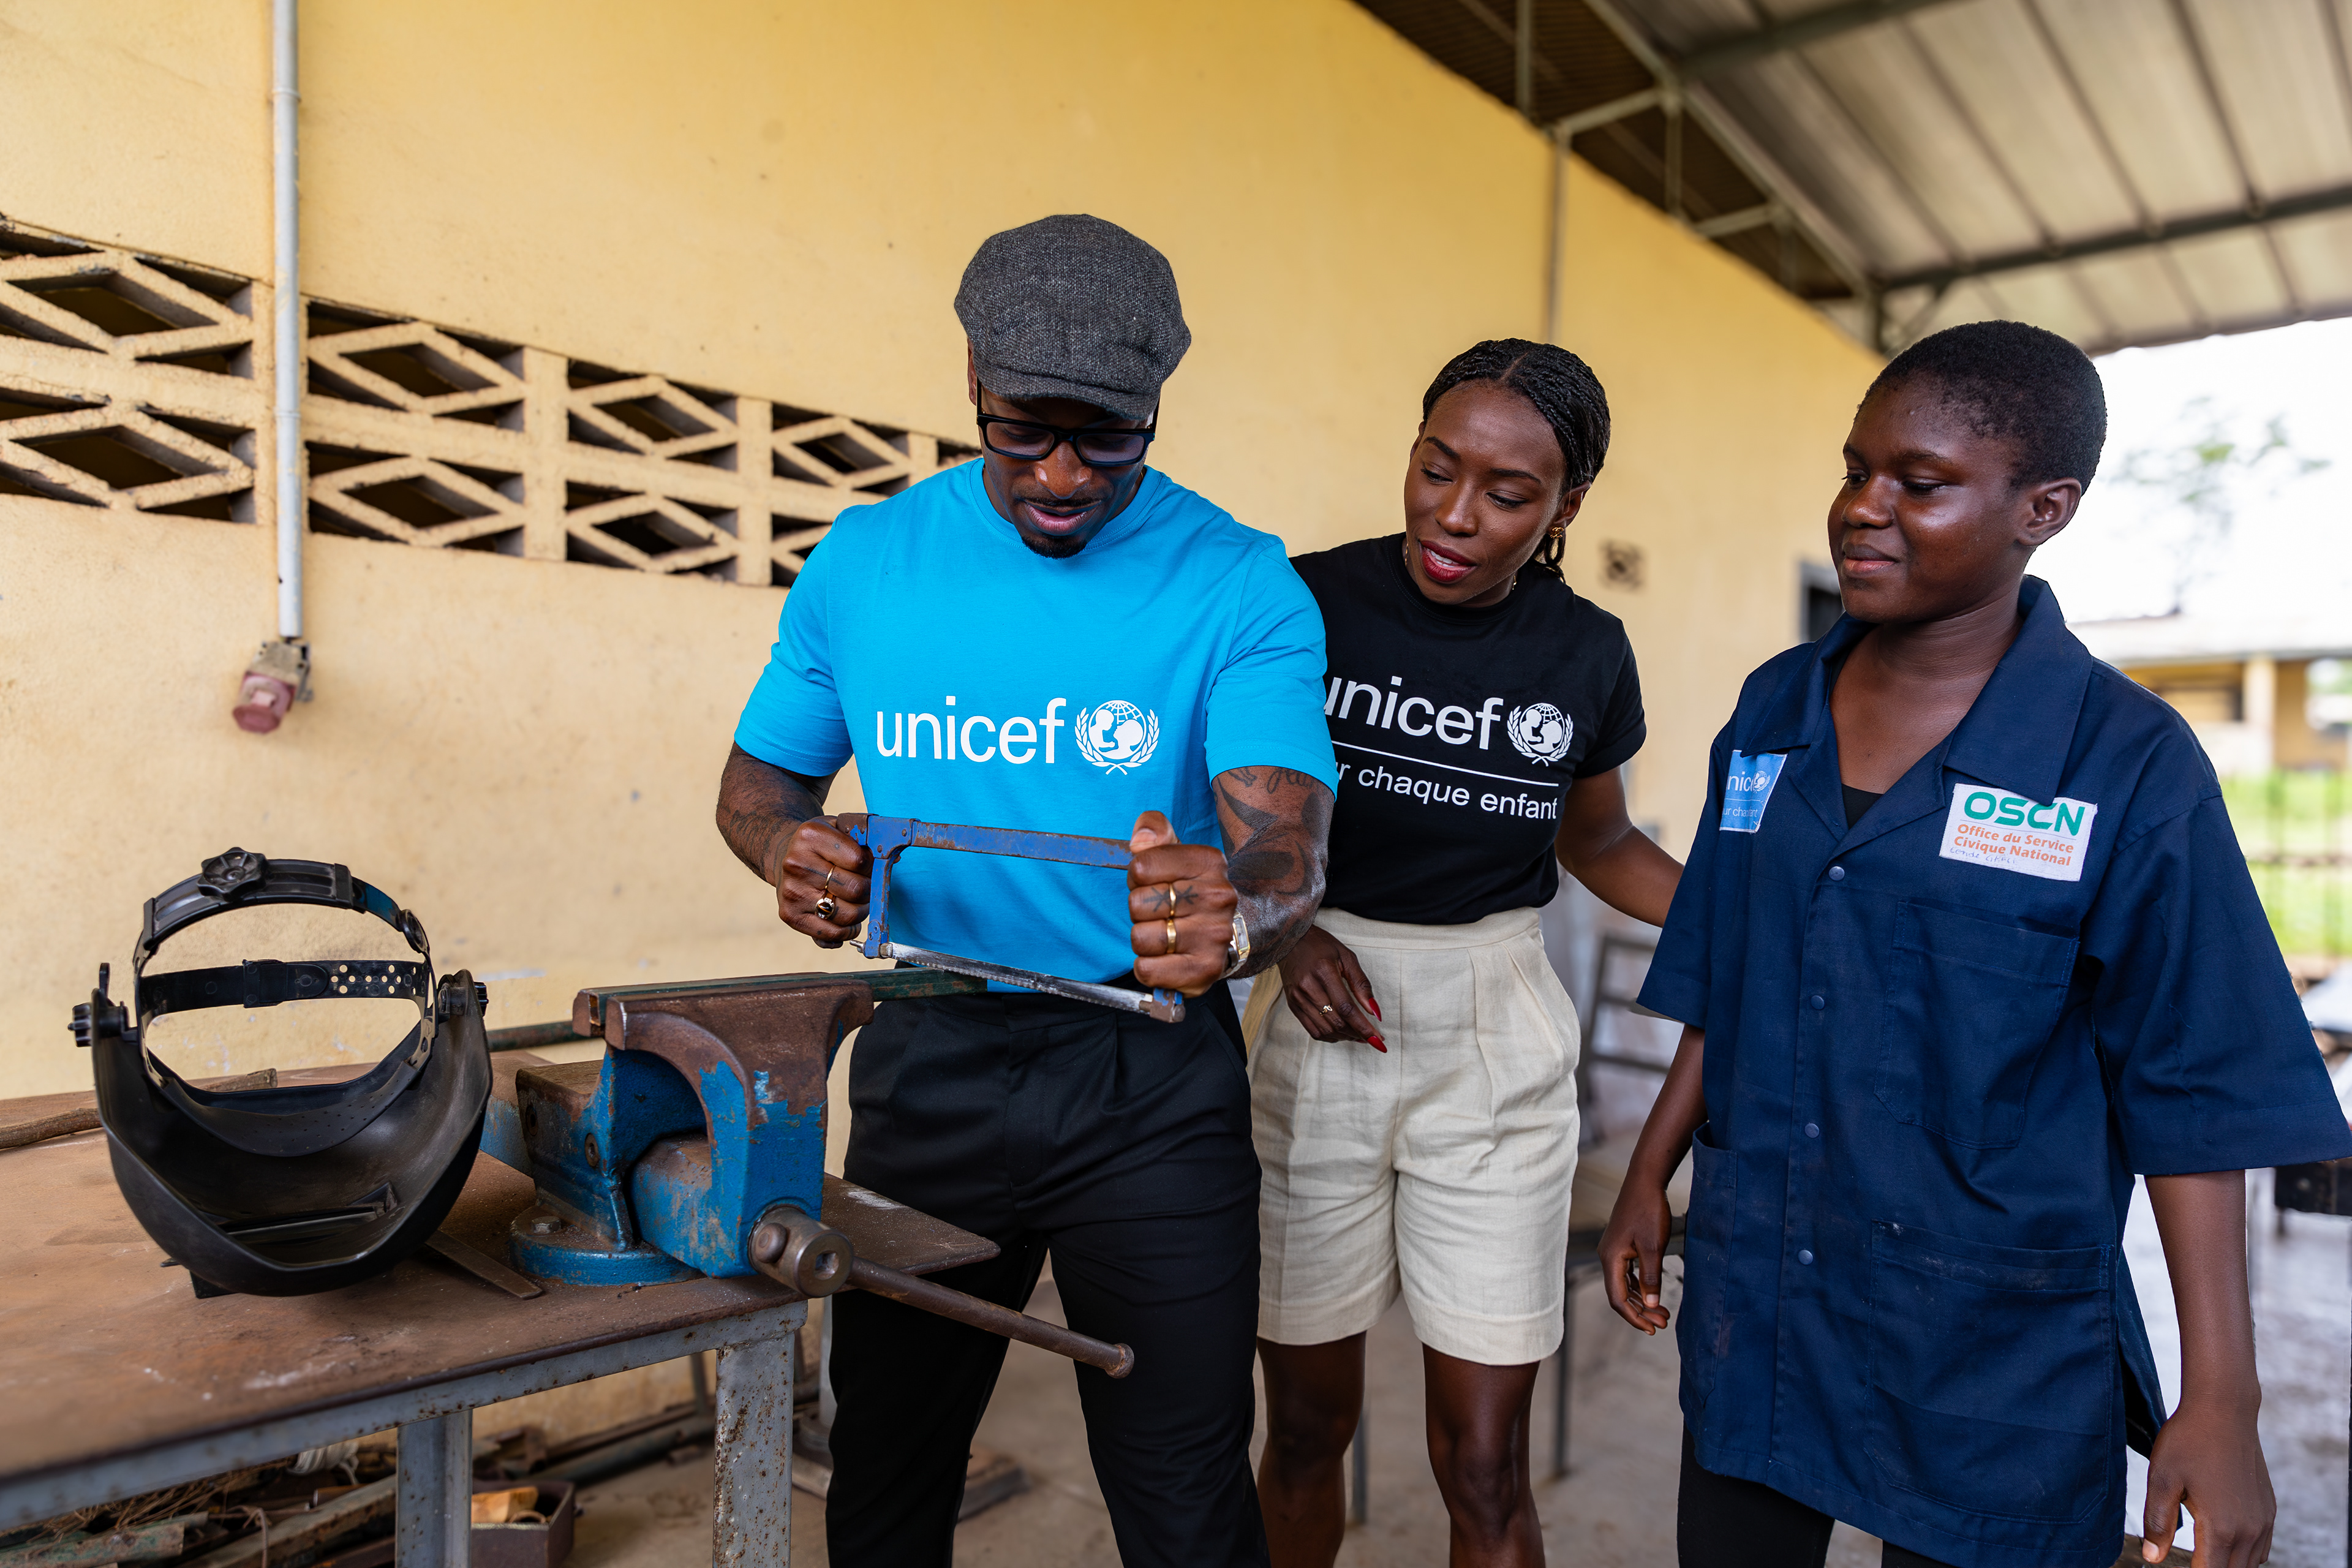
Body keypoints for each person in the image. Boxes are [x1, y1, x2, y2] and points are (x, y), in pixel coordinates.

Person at [1597, 320, 2352, 1568]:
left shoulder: (2123, 764)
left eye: (1921, 482)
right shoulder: (1774, 709)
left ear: (2043, 507)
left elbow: (2193, 1091)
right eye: (1855, 469)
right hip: (1766, 1289)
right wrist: (1649, 1173)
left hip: (1989, 1340)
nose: (1862, 508)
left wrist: (2223, 1395)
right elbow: (1735, 966)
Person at [714, 214, 1340, 1567]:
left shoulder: (1242, 582)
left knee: (1182, 1495)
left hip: (1152, 1086)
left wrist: (1239, 911)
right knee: (887, 1464)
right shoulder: (866, 562)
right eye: (1021, 430)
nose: (1060, 474)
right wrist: (789, 852)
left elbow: (1289, 852)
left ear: (1158, 407)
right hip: (928, 1060)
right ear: (972, 390)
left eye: (1106, 438)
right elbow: (757, 792)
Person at [1250, 340, 1682, 1568]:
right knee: (1304, 1428)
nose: (1457, 514)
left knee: (1484, 1462)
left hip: (1495, 1036)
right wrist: (1293, 927)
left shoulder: (1586, 651)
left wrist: (1750, 913)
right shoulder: (1306, 602)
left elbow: (1599, 838)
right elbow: (1226, 805)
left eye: (1507, 493)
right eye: (1437, 467)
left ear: (1565, 507)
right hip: (1322, 1027)